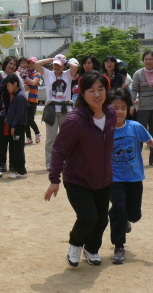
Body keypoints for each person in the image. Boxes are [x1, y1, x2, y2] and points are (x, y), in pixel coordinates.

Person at [44, 71, 117, 267]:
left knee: (102, 220)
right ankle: (75, 247)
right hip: (77, 179)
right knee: (88, 217)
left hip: (103, 178)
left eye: (101, 89)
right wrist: (54, 180)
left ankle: (91, 249)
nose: (97, 94)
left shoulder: (111, 113)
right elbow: (59, 150)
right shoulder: (75, 120)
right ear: (82, 94)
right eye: (91, 90)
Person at [108, 89, 153, 264]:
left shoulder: (134, 126)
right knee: (118, 208)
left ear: (128, 109)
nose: (119, 111)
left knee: (134, 214)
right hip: (114, 178)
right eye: (115, 108)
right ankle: (119, 246)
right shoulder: (105, 129)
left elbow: (149, 140)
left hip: (134, 177)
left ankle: (126, 219)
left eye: (122, 108)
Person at [34, 54, 79, 170]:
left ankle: (66, 162)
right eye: (55, 65)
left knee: (66, 138)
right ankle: (50, 164)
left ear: (63, 66)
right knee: (51, 138)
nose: (56, 67)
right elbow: (36, 64)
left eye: (59, 65)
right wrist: (51, 59)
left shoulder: (67, 74)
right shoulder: (48, 74)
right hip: (52, 110)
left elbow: (75, 67)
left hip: (65, 110)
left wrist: (66, 61)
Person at [0, 56, 23, 172]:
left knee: (14, 140)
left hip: (14, 113)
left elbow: (22, 94)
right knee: (3, 140)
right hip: (2, 112)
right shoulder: (0, 77)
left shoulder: (18, 78)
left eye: (14, 64)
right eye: (10, 63)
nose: (12, 66)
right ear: (5, 64)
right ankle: (2, 162)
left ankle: (13, 163)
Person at [4, 73, 28, 179]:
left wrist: (13, 125)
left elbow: (20, 113)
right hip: (15, 125)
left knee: (18, 149)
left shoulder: (20, 96)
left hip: (18, 126)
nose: (7, 88)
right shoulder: (17, 95)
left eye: (8, 85)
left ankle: (21, 171)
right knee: (14, 148)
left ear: (15, 84)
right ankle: (17, 170)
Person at [23, 57, 42, 145]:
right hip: (24, 99)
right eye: (29, 63)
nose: (30, 65)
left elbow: (33, 83)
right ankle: (29, 138)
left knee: (30, 119)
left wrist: (24, 77)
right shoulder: (26, 73)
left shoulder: (37, 74)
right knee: (25, 120)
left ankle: (37, 133)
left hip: (33, 100)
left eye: (32, 63)